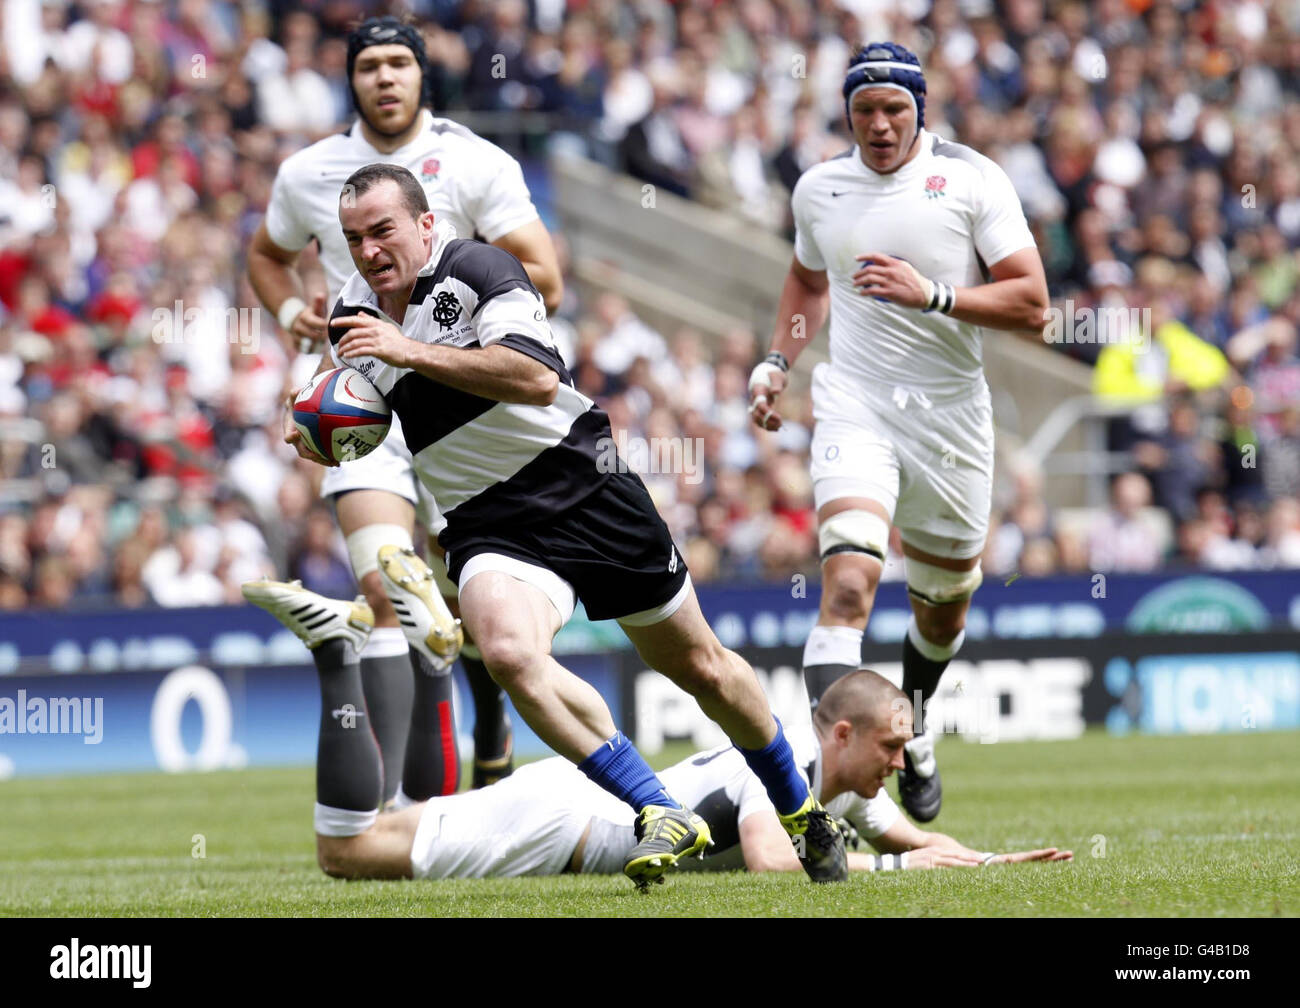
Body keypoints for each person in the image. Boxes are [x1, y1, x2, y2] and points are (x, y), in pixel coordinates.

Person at [275, 161, 848, 888]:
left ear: (425, 224)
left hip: (583, 485)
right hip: (487, 518)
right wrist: (318, 431)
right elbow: (367, 412)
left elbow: (534, 377)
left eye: (382, 230)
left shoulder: (482, 268)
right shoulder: (350, 319)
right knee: (509, 652)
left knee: (699, 667)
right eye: (354, 238)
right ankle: (658, 808)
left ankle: (801, 810)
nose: (367, 251)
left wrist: (408, 350)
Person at [247, 17, 563, 804]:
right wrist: (294, 319)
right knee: (388, 586)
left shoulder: (472, 161)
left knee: (464, 598)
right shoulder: (308, 172)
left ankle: (486, 715)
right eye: (368, 66)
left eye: (399, 63)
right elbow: (265, 255)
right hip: (361, 397)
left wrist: (435, 327)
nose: (385, 78)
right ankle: (400, 808)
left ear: (422, 75)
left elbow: (545, 279)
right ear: (349, 79)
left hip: (461, 404)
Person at [239, 583, 1070, 882]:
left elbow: (916, 840)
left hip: (569, 807)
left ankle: (423, 663)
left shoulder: (836, 787)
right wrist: (901, 871)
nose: (899, 763)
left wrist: (985, 861)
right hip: (562, 829)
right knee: (345, 851)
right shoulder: (777, 764)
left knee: (402, 811)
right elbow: (773, 858)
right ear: (842, 733)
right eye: (891, 747)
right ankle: (338, 653)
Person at [748, 43, 1049, 823]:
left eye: (894, 111)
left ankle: (911, 729)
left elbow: (1032, 303)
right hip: (856, 404)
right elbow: (809, 278)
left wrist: (934, 295)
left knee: (943, 608)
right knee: (848, 587)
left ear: (921, 110)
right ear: (846, 114)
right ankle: (834, 807)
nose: (879, 126)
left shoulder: (974, 179)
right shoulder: (819, 188)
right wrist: (779, 359)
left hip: (950, 418)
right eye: (864, 112)